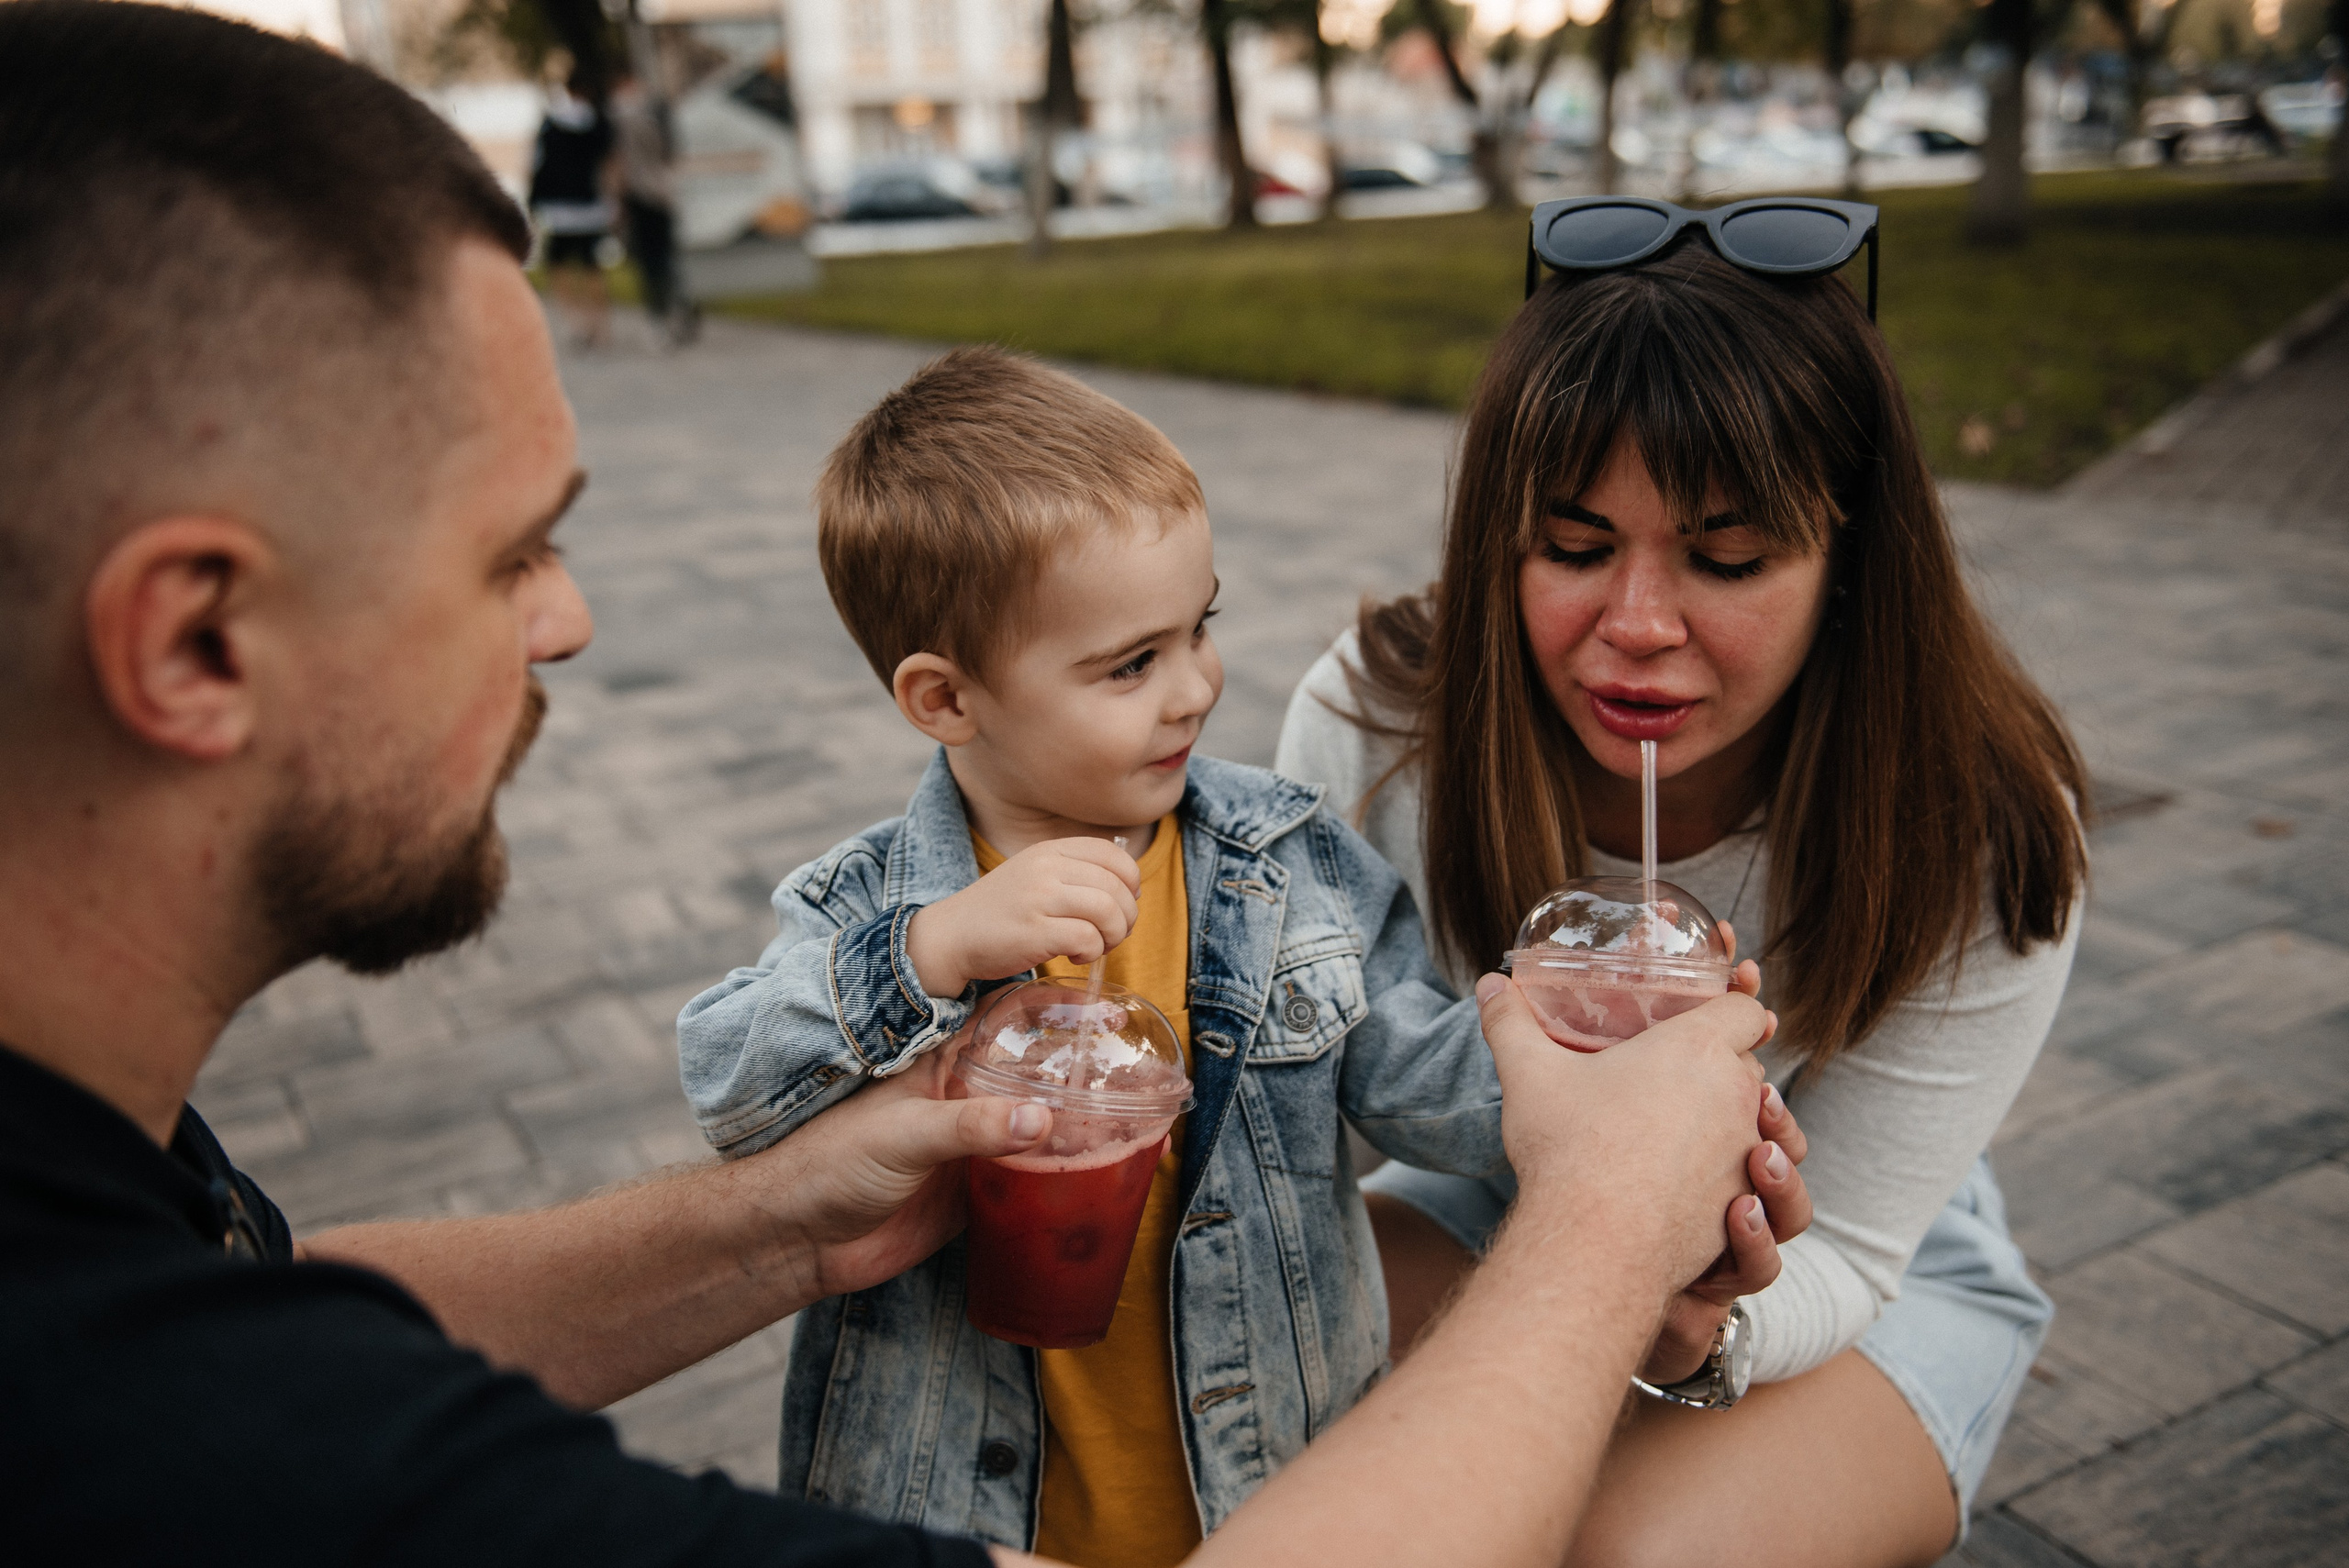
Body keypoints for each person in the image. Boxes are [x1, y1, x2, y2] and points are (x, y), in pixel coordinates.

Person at [0, 6, 1814, 1565]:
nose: (571, 619)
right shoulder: (248, 1473)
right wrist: (1598, 1227)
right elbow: (720, 1069)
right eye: (507, 553)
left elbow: (281, 1308)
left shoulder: (127, 1232)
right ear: (196, 641)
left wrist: (1554, 1078)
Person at [674, 346, 1804, 1563]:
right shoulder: (870, 907)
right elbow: (728, 1085)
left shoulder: (1288, 867)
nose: (1196, 688)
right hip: (969, 1511)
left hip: (1269, 1487)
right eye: (1130, 665)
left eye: (1198, 629)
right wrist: (930, 953)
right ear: (947, 700)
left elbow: (1424, 1083)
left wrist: (1588, 1060)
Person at [1275, 233, 2088, 1565]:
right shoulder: (1380, 729)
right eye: (1574, 545)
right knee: (1248, 1388)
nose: (1640, 622)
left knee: (1615, 1553)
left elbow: (1860, 1245)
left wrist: (1702, 1317)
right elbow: (1308, 1125)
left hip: (1831, 1264)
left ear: (1848, 563)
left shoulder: (1978, 823)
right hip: (1496, 1182)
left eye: (1728, 560)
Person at [529, 59, 617, 348]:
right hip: (591, 206)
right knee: (592, 267)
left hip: (560, 209)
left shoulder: (552, 123)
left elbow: (537, 164)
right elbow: (609, 165)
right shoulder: (599, 123)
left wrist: (534, 201)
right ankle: (600, 325)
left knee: (559, 267)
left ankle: (577, 322)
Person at [610, 65, 697, 345]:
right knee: (668, 257)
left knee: (649, 262)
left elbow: (616, 162)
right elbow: (672, 153)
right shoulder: (657, 112)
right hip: (663, 192)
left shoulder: (618, 116)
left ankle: (661, 317)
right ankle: (678, 308)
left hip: (638, 195)